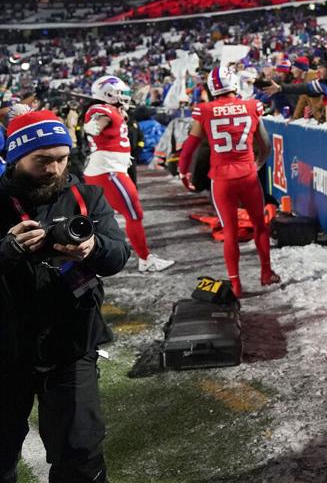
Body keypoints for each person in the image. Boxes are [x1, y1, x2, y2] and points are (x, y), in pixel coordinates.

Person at [1, 110, 130, 483]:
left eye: (61, 158)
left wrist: (92, 248)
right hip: (5, 348)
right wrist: (8, 250)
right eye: (42, 160)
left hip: (71, 344)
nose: (55, 169)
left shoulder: (86, 195)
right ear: (15, 157)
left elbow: (118, 255)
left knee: (81, 454)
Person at [178, 66, 276, 298]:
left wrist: (183, 172)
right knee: (260, 225)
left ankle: (236, 284)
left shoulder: (204, 110)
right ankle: (265, 272)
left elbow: (189, 148)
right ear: (234, 83)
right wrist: (255, 165)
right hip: (247, 175)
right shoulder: (251, 106)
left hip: (221, 178)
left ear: (212, 88)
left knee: (230, 231)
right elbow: (266, 146)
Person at [81, 76, 174, 272]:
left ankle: (93, 259)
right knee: (133, 214)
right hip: (108, 171)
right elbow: (96, 123)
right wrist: (92, 127)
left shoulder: (114, 110)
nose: (125, 97)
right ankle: (145, 259)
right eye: (121, 93)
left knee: (102, 218)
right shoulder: (103, 110)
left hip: (108, 169)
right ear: (108, 93)